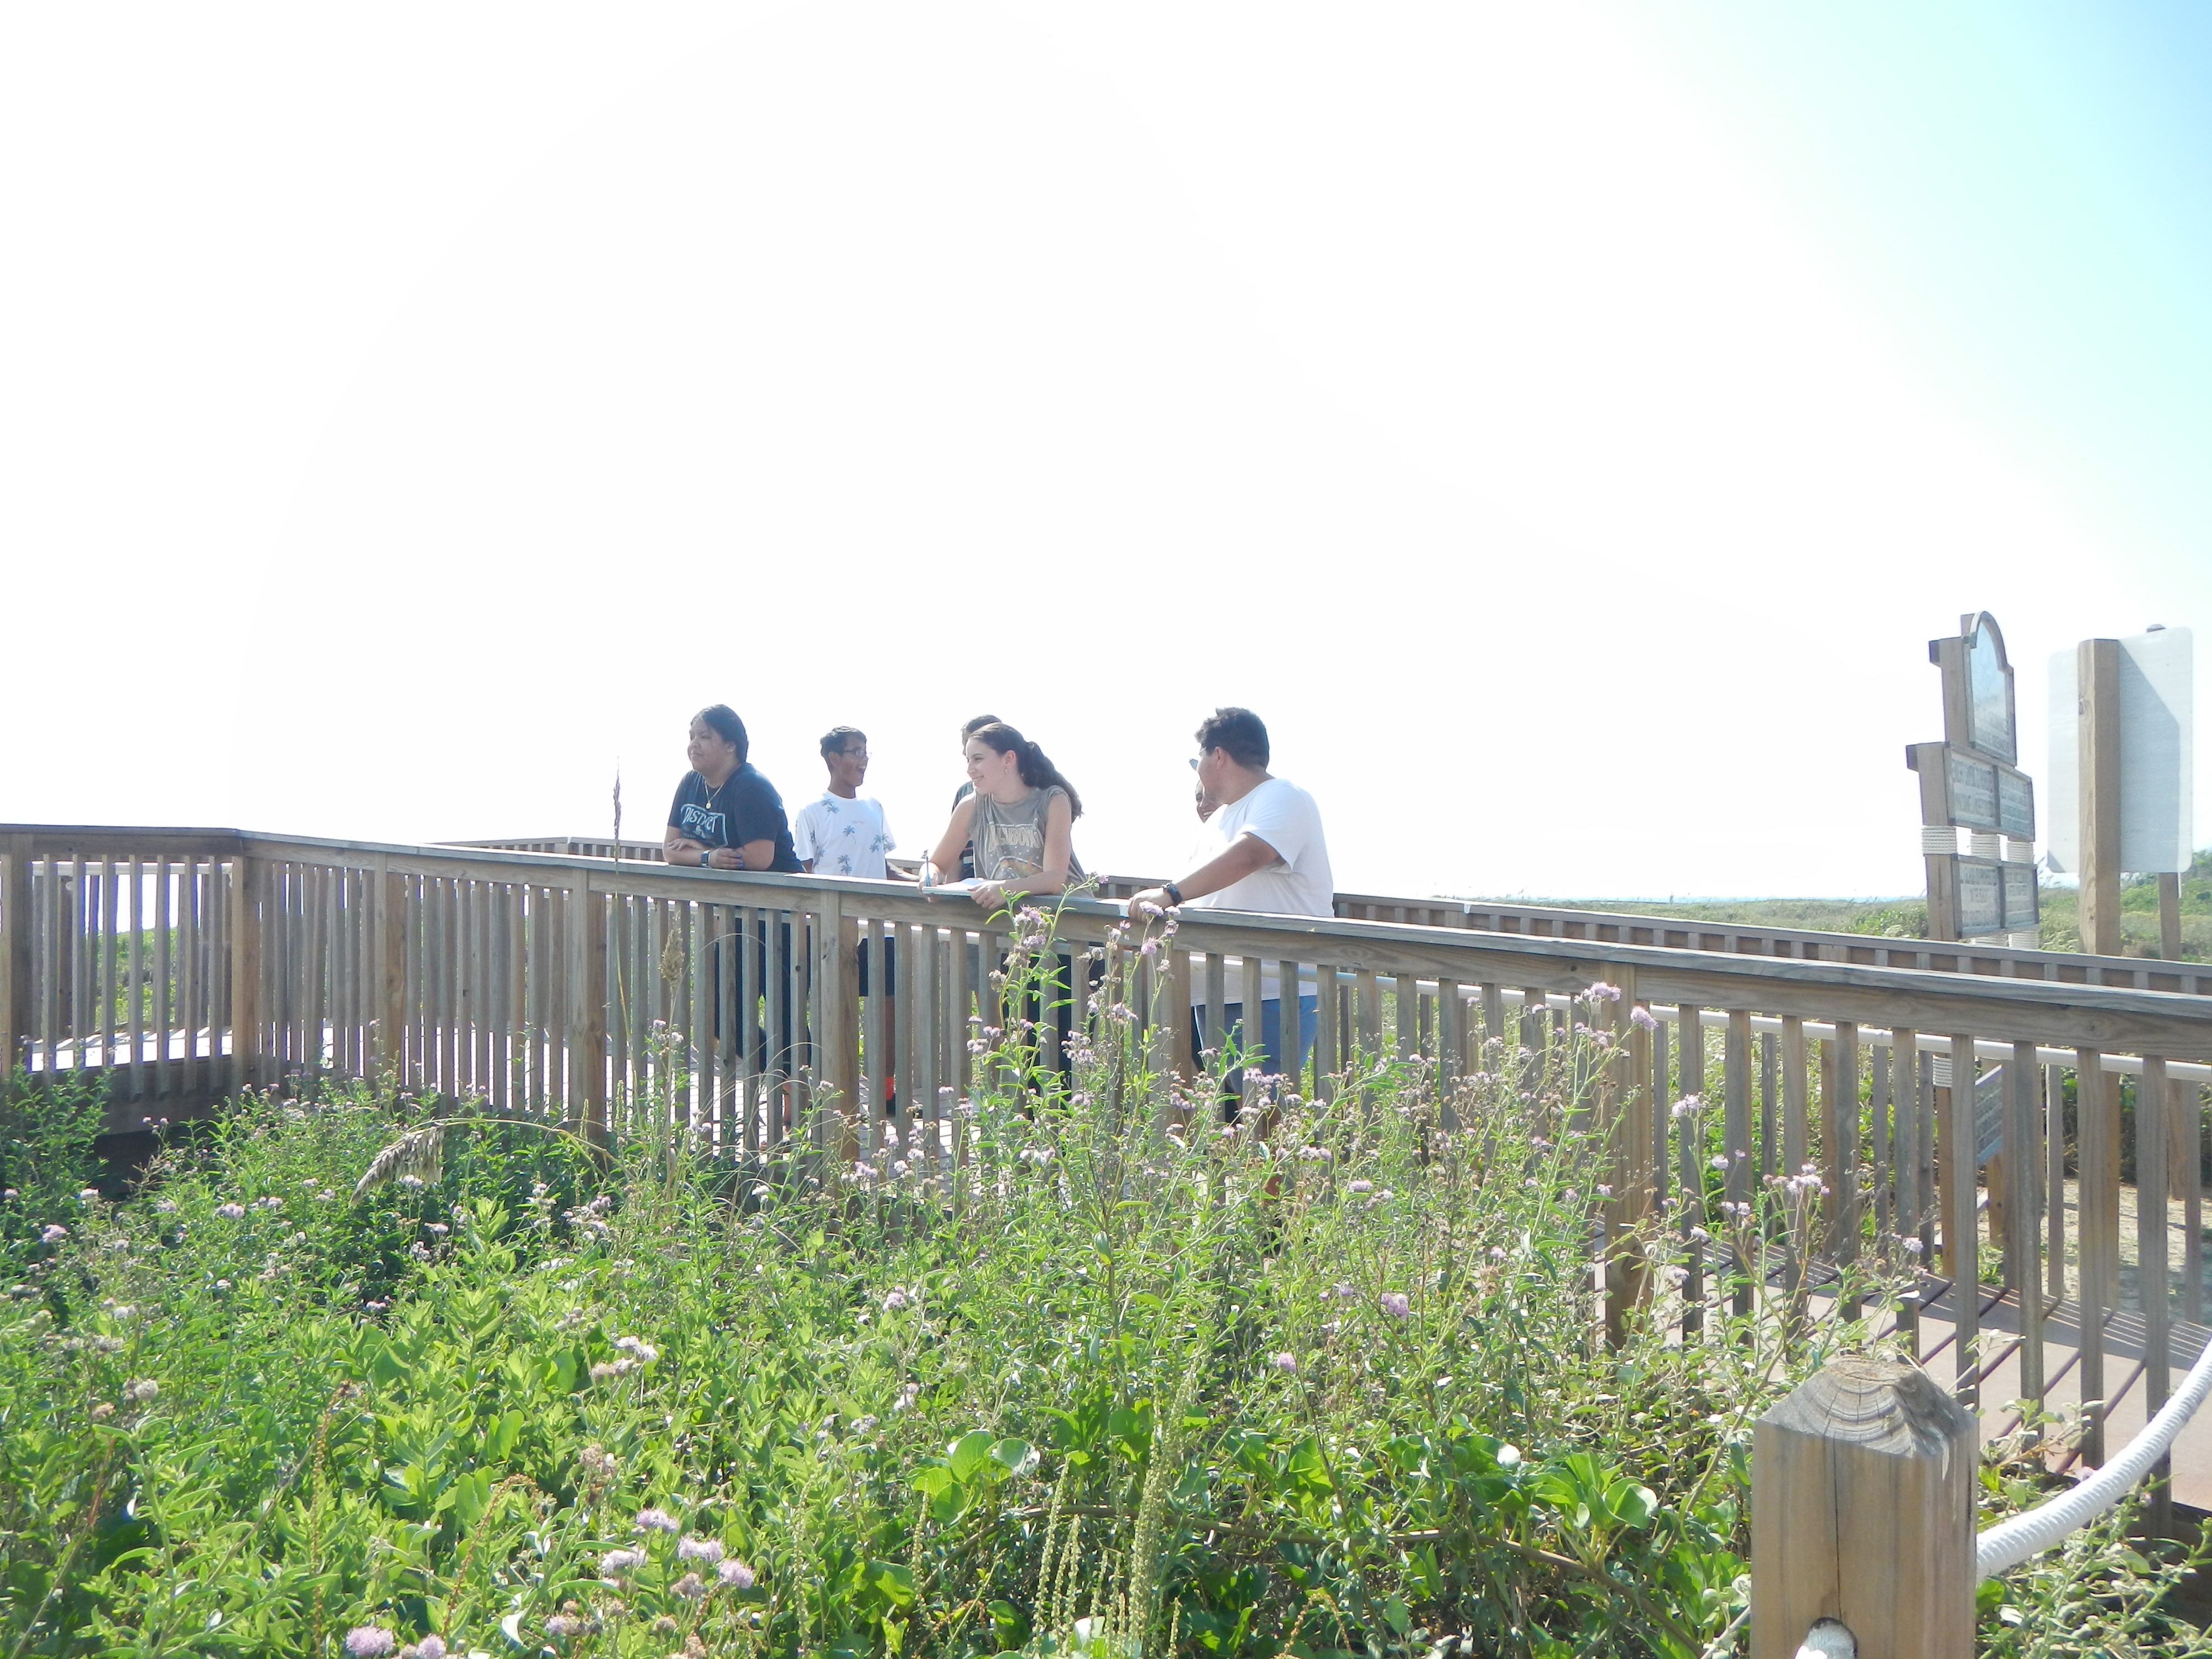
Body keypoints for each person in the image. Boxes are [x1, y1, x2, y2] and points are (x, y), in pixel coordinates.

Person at [1123, 707, 1333, 1083]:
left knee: (1265, 1111)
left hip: (1273, 988)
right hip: (1220, 989)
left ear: (1218, 755)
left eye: (1200, 756)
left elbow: (1253, 854)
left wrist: (1169, 894)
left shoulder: (1283, 795)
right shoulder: (1221, 818)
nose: (1199, 767)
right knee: (1232, 1114)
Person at [923, 722, 1084, 912]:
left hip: (1068, 920)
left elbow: (1055, 879)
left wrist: (1004, 889)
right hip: (1007, 922)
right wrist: (930, 877)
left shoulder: (1052, 800)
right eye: (968, 760)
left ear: (1008, 759)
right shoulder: (970, 806)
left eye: (978, 759)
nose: (969, 769)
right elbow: (937, 864)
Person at [664, 705, 802, 873]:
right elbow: (670, 851)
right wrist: (707, 856)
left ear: (730, 746)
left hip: (780, 893)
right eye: (692, 737)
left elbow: (759, 858)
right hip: (726, 895)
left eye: (704, 737)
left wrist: (708, 854)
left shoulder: (752, 787)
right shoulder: (690, 782)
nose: (694, 744)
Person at [793, 727, 897, 878]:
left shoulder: (874, 807)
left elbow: (881, 863)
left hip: (875, 902)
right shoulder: (811, 812)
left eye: (865, 753)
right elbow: (805, 869)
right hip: (834, 902)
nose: (865, 759)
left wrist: (920, 881)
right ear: (835, 758)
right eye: (857, 752)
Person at [947, 713, 1001, 881]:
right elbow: (955, 853)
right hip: (969, 878)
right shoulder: (965, 794)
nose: (964, 751)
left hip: (1005, 880)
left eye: (968, 742)